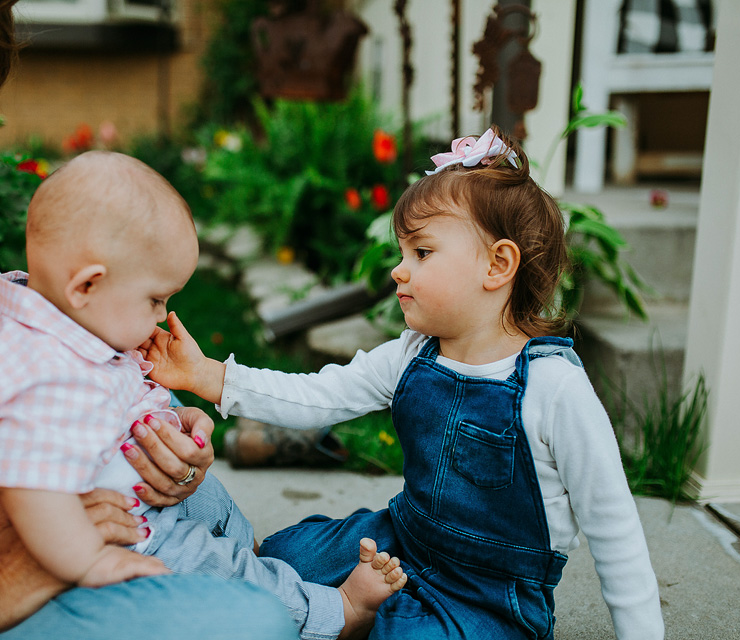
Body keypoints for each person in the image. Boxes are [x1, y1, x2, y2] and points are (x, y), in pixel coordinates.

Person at [0, 2, 294, 638]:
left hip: (25, 523)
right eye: (158, 299)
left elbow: (17, 326)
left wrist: (142, 424)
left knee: (209, 507)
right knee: (257, 622)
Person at [144, 127, 665, 640]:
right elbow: (319, 396)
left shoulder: (553, 387)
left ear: (497, 265)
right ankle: (361, 608)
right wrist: (209, 376)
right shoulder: (413, 355)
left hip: (490, 593)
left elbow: (613, 529)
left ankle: (367, 617)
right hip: (402, 539)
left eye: (421, 253)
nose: (398, 270)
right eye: (401, 252)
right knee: (285, 557)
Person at [0, 150, 407, 639]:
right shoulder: (35, 375)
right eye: (155, 299)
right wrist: (90, 560)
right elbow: (30, 495)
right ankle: (334, 613)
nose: (161, 315)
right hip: (117, 530)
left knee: (213, 505)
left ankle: (246, 550)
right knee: (212, 566)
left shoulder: (67, 325)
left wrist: (174, 413)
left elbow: (112, 402)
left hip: (135, 484)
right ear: (87, 285)